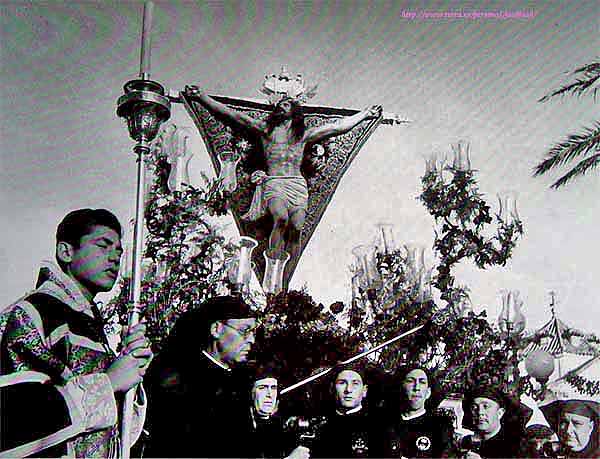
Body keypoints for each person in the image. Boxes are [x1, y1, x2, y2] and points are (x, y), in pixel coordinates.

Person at [0, 208, 153, 458]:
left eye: (119, 251)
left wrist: (130, 366)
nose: (115, 257)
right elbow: (13, 416)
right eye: (103, 245)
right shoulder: (32, 313)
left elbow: (110, 432)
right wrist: (109, 382)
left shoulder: (89, 324)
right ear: (66, 251)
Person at [188, 81, 382, 268]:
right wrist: (202, 97)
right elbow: (236, 117)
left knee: (297, 229)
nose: (282, 107)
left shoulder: (303, 135)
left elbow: (336, 127)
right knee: (280, 218)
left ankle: (283, 285)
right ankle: (273, 271)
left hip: (298, 185)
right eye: (280, 104)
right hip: (275, 182)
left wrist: (365, 114)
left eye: (287, 104)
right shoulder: (266, 130)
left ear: (295, 111)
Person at [144, 295, 260, 457]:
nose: (252, 340)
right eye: (244, 331)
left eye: (253, 332)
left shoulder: (238, 382)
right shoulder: (178, 381)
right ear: (216, 329)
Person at [380, 366, 454, 458]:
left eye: (422, 382)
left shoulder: (440, 426)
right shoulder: (384, 423)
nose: (417, 387)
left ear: (428, 393)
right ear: (401, 387)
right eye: (411, 381)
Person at [312, 364, 376, 458]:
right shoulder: (318, 425)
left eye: (355, 383)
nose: (348, 389)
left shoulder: (379, 424)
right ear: (332, 388)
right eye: (342, 383)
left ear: (364, 391)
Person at [461, 386, 523, 459]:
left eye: (486, 406)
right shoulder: (466, 442)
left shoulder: (515, 445)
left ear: (500, 413)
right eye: (474, 408)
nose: (480, 412)